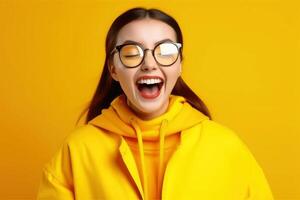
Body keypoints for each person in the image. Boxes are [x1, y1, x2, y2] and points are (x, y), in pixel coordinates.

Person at [37, 7, 274, 200]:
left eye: (165, 51)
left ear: (179, 64)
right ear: (113, 69)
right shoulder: (77, 150)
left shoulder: (225, 147)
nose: (149, 63)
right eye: (132, 53)